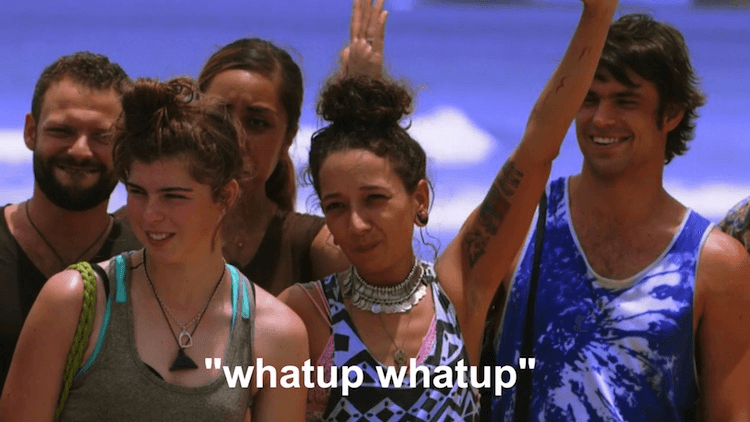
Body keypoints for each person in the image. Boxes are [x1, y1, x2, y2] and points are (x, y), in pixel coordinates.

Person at [278, 0, 618, 419]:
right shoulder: (306, 314)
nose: (357, 223)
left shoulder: (457, 293)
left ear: (419, 199)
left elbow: (537, 149)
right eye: (336, 206)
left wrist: (597, 17)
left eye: (375, 199)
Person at [0, 77, 308, 421]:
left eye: (173, 196)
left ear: (225, 197)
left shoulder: (275, 333)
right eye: (137, 192)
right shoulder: (72, 301)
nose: (150, 215)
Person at [491, 13, 750, 421]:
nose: (601, 119)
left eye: (625, 101)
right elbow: (436, 332)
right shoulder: (521, 225)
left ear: (671, 113)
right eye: (589, 99)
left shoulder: (715, 264)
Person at [191, 0, 388, 295]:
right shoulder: (148, 226)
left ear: (288, 137)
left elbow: (382, 283)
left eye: (257, 122)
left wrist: (364, 116)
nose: (236, 136)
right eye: (219, 115)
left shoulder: (307, 244)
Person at [0, 52, 141, 392]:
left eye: (101, 136)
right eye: (62, 131)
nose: (80, 150)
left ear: (126, 146)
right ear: (31, 131)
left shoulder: (149, 265)